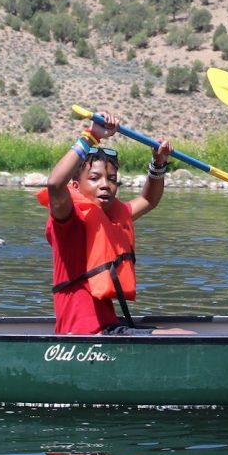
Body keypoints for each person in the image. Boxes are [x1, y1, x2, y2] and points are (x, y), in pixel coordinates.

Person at [39, 112, 191, 335]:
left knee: (181, 333)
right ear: (75, 185)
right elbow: (54, 184)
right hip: (84, 333)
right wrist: (91, 136)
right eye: (94, 178)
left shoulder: (112, 217)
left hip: (110, 327)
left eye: (111, 179)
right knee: (181, 336)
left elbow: (148, 200)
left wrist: (158, 163)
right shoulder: (67, 219)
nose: (105, 185)